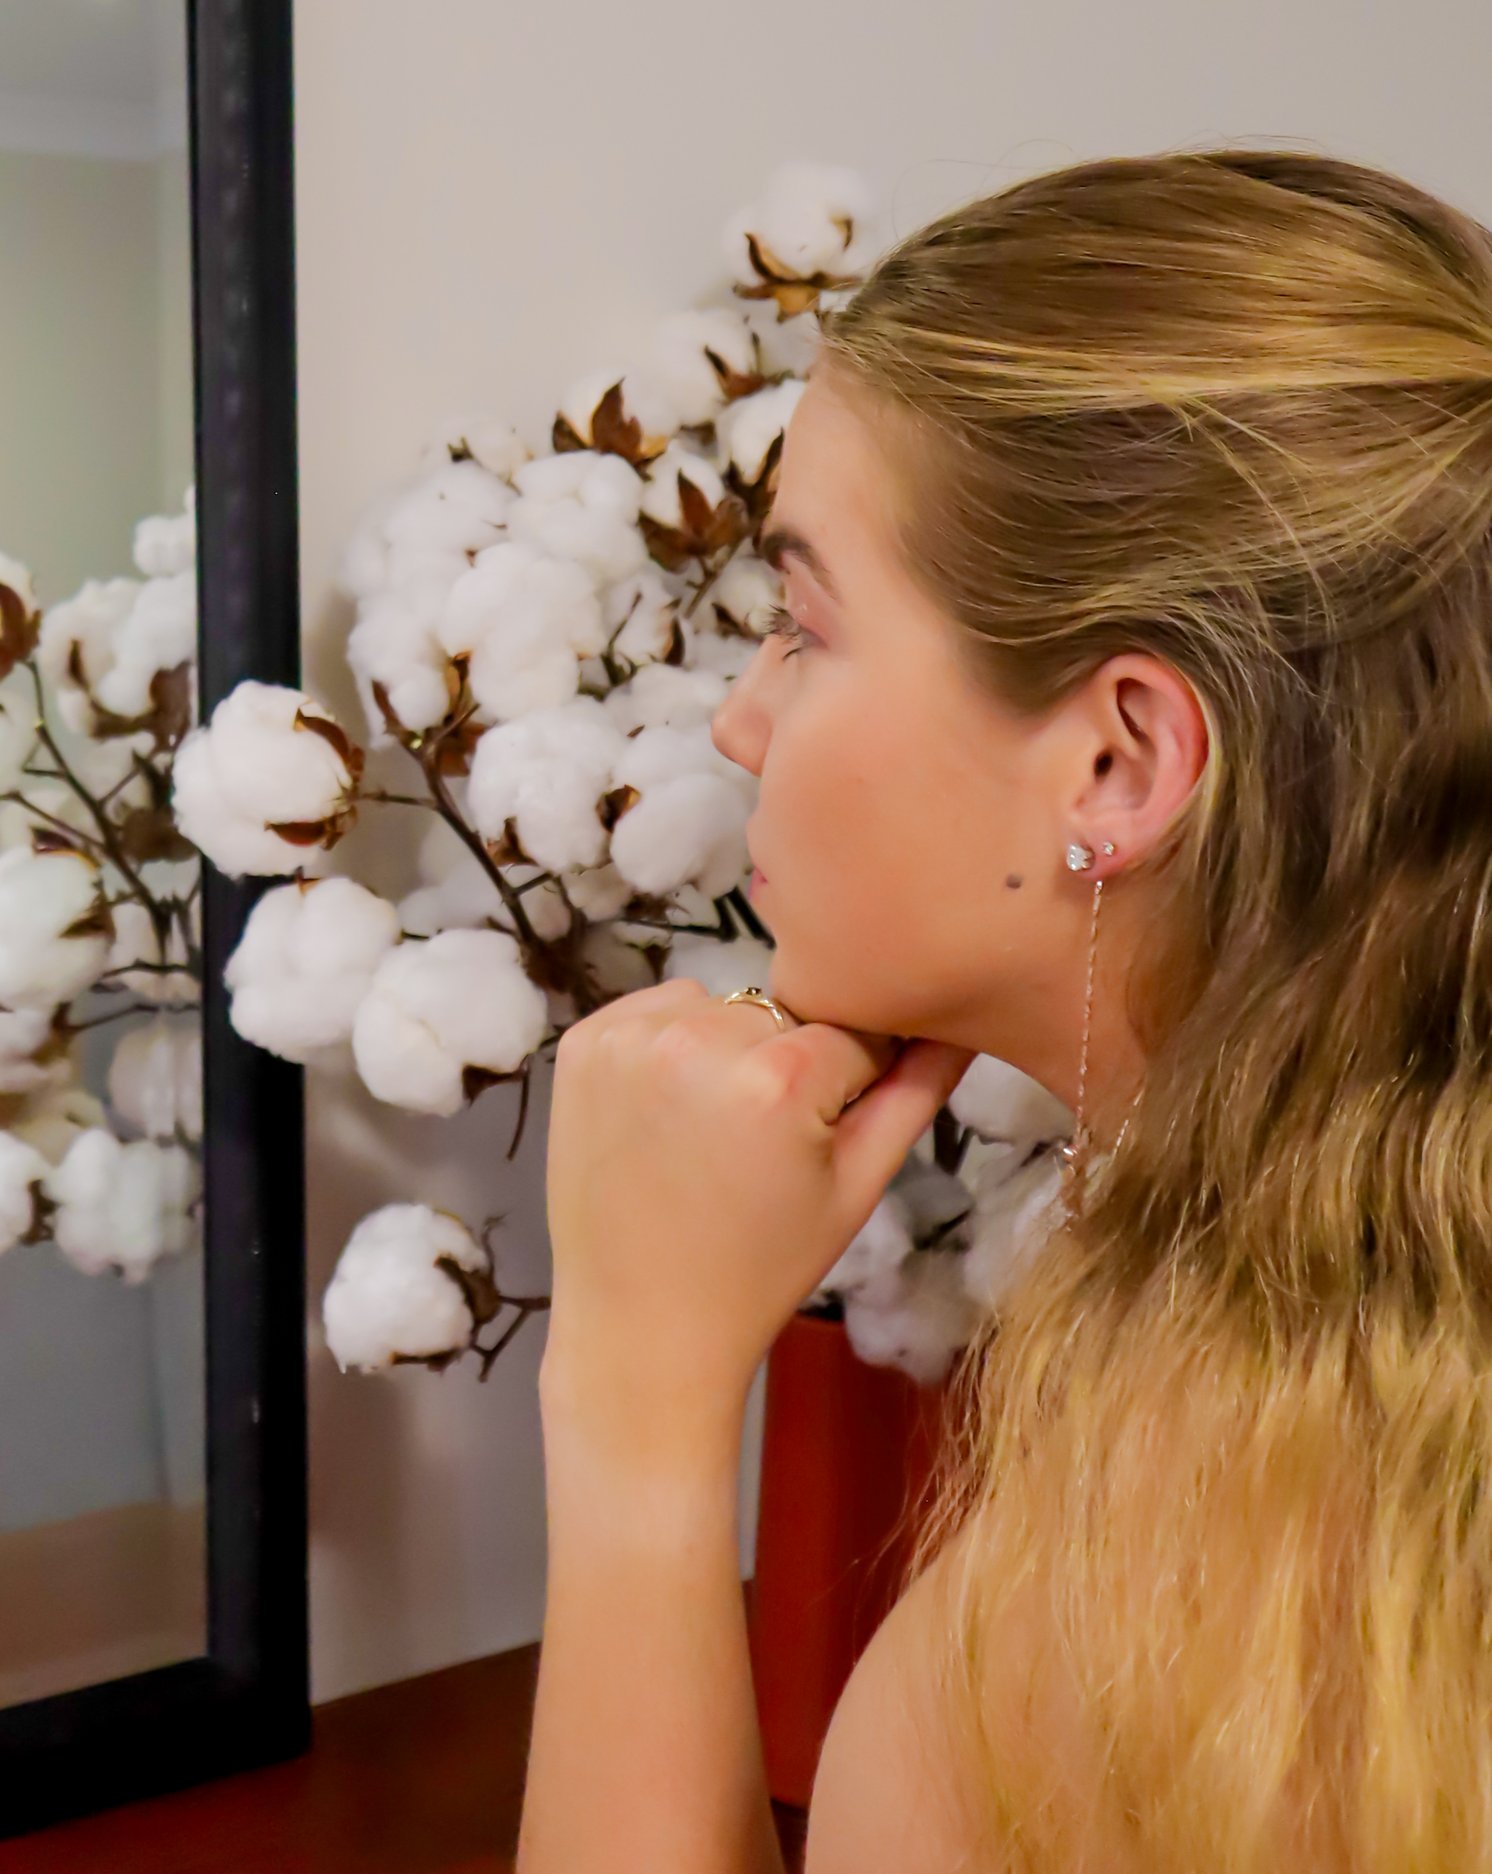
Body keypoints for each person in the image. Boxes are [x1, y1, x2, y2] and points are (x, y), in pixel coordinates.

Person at [521, 150, 1492, 1872]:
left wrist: (634, 1404)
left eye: (804, 625)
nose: (740, 719)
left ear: (1121, 761)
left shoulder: (1168, 1592)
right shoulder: (1355, 1364)